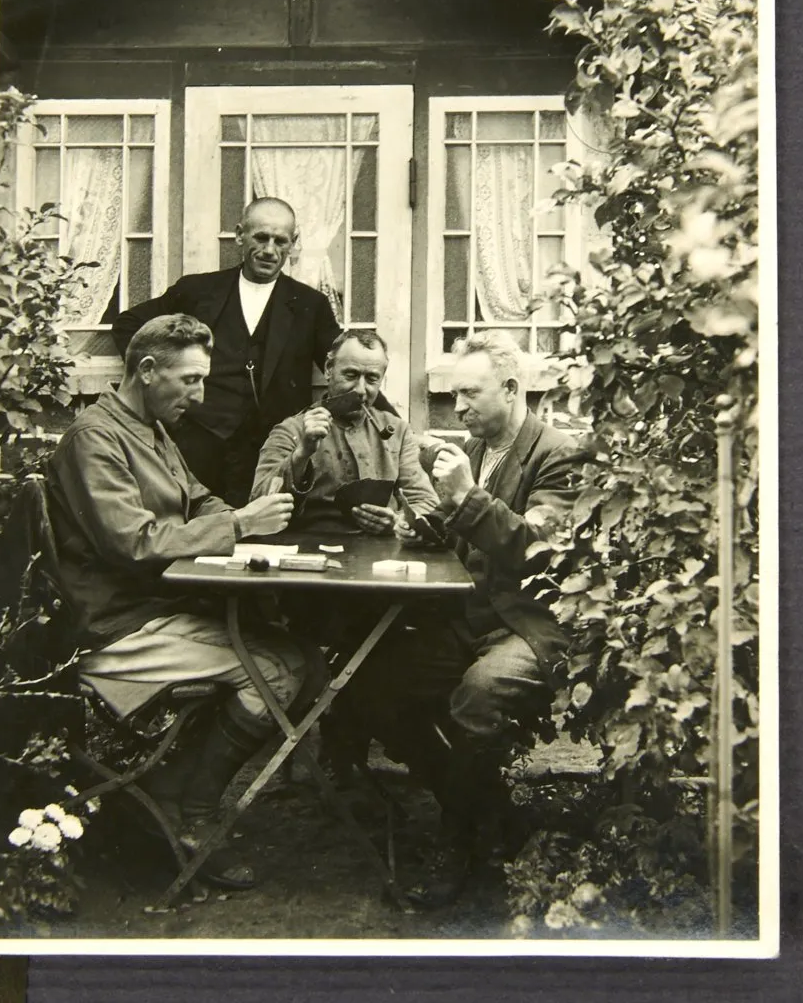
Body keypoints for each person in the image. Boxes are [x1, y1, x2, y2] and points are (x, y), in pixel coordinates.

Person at [45, 313, 307, 891]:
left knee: (290, 649)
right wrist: (240, 524)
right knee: (277, 669)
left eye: (203, 380)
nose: (200, 394)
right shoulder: (96, 438)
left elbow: (199, 499)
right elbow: (134, 543)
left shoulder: (149, 428)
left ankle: (168, 792)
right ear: (146, 370)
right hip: (112, 630)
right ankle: (188, 812)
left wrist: (234, 521)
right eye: (189, 380)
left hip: (149, 611)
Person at [337, 330, 588, 908]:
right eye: (454, 397)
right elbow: (464, 537)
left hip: (531, 623)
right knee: (372, 684)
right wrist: (423, 530)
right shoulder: (475, 451)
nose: (460, 408)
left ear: (511, 387)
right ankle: (482, 811)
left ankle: (458, 841)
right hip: (473, 618)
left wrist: (465, 496)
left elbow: (539, 552)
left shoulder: (558, 455)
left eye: (471, 394)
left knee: (479, 695)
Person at [111, 198, 341, 507]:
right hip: (198, 446)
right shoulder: (198, 291)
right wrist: (163, 374)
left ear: (293, 243)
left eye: (280, 241)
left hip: (271, 455)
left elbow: (342, 365)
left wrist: (389, 425)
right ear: (239, 235)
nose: (269, 250)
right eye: (260, 237)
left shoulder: (310, 305)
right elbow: (129, 325)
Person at [249, 330, 440, 534]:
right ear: (328, 370)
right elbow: (259, 503)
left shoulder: (398, 431)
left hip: (380, 555)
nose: (360, 389)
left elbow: (425, 501)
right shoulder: (291, 430)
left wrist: (398, 522)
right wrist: (302, 454)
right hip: (310, 551)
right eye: (351, 375)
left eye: (372, 379)